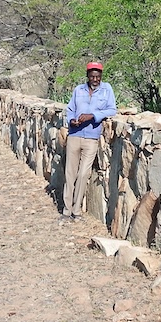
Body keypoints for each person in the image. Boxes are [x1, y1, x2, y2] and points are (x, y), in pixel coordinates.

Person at [61, 61, 117, 222]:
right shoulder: (79, 90)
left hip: (91, 137)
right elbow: (70, 109)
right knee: (70, 173)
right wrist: (72, 120)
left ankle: (76, 211)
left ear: (101, 77)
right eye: (92, 76)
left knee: (83, 174)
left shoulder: (107, 90)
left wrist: (92, 115)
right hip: (74, 135)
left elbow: (112, 109)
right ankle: (66, 210)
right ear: (87, 76)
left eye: (98, 77)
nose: (95, 79)